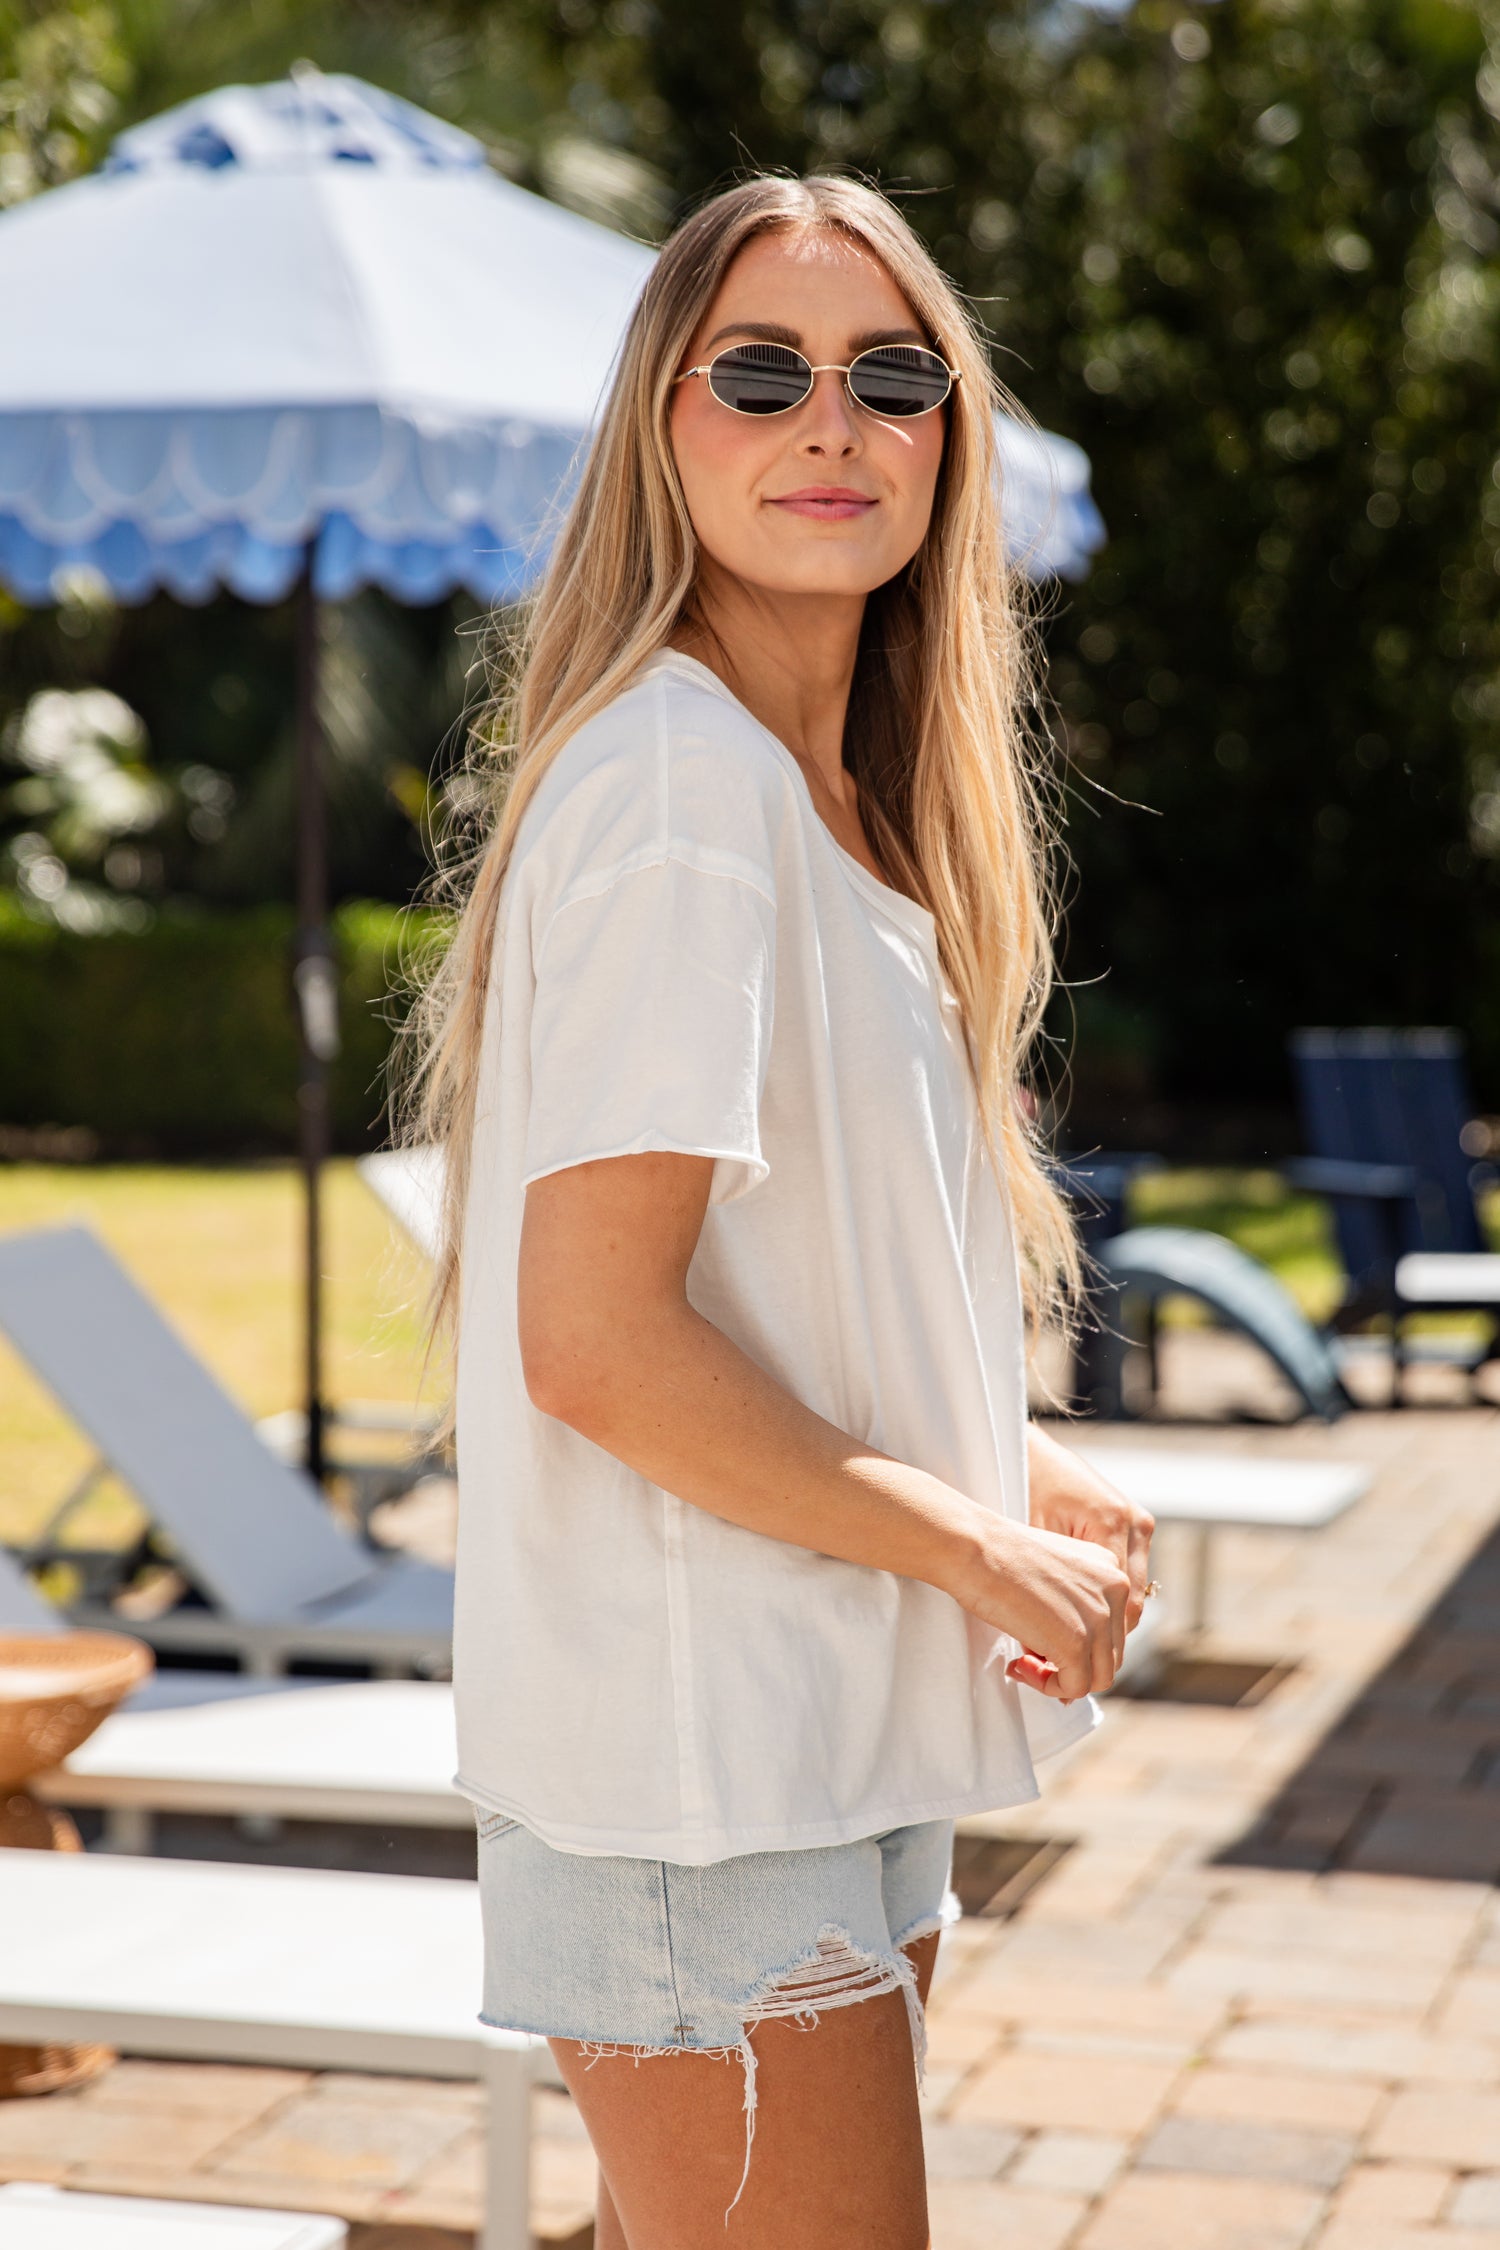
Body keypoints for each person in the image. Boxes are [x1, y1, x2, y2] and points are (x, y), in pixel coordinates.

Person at [406, 173, 1155, 2250]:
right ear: (666, 425)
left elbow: (771, 1296)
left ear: (945, 438)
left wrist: (1000, 1470)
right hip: (702, 1772)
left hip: (795, 1734)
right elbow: (603, 1345)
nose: (830, 422)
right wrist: (980, 1547)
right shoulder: (686, 797)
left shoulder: (805, 796)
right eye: (761, 371)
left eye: (887, 376)